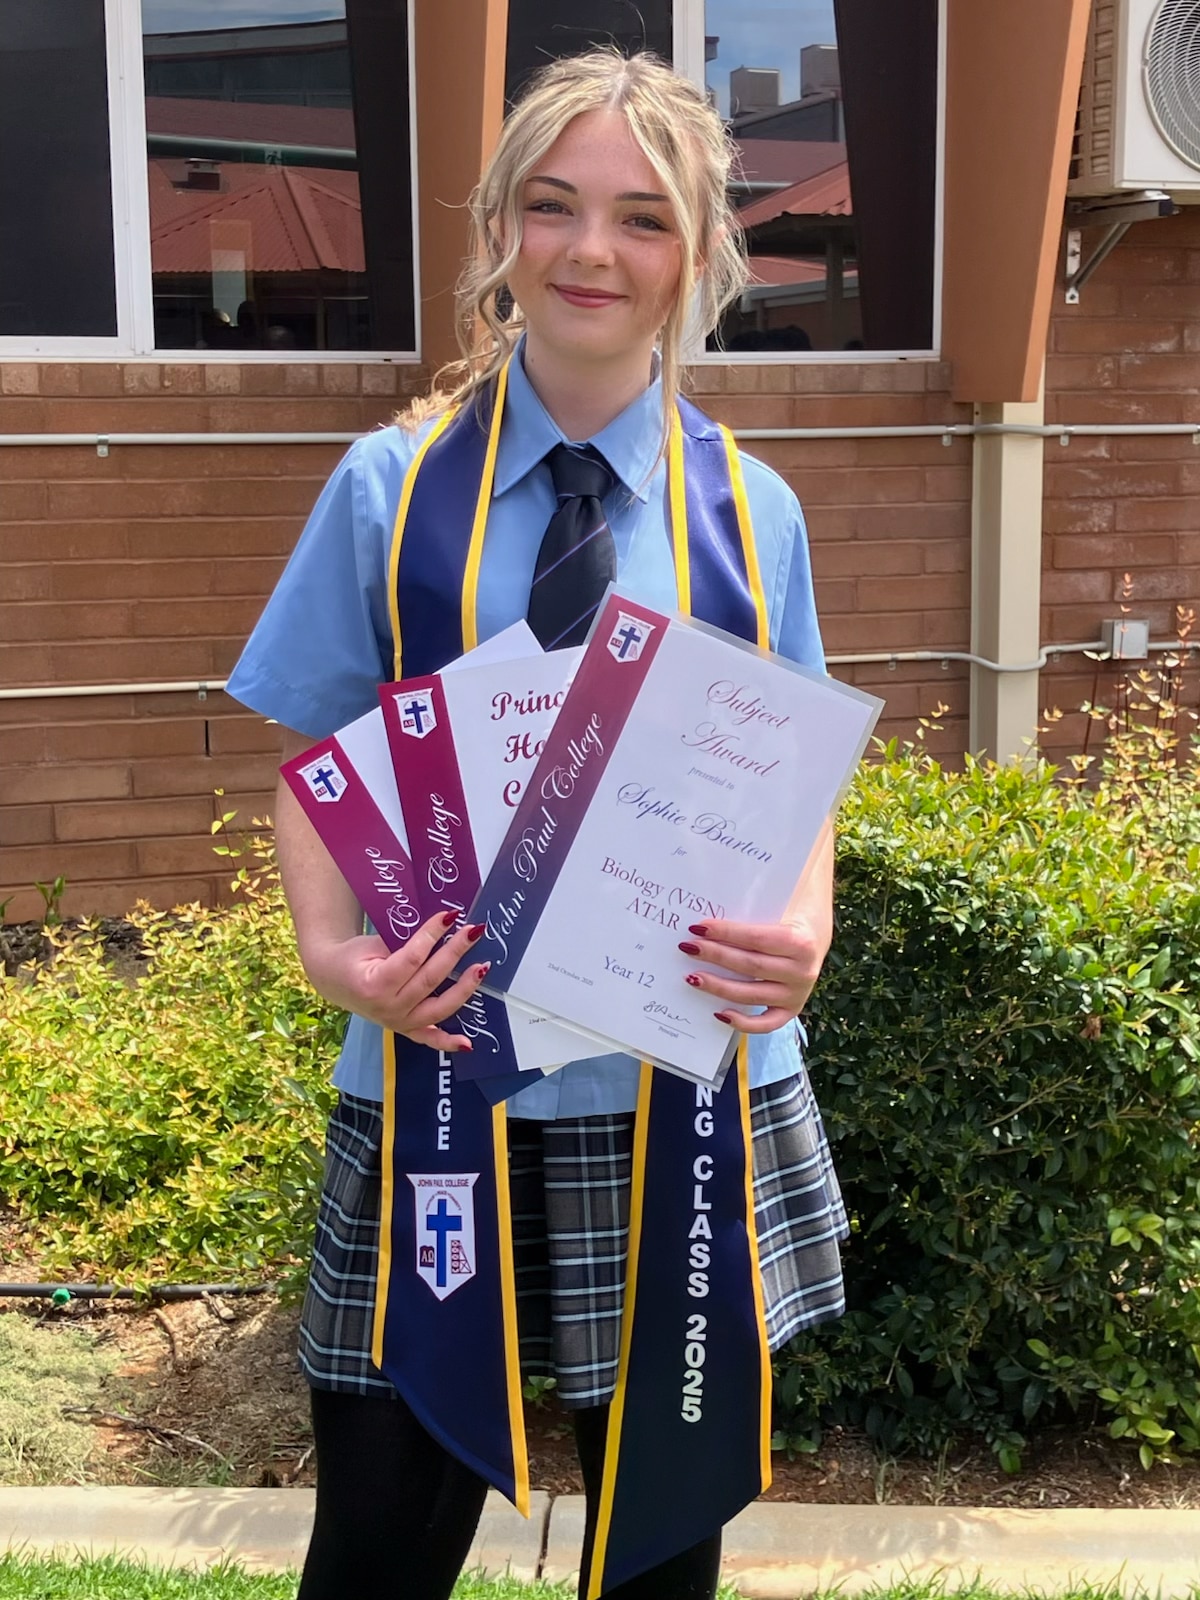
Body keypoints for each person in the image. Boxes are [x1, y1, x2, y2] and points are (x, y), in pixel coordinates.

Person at [227, 48, 846, 1600]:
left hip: (677, 1095)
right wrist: (334, 957)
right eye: (555, 206)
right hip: (445, 1089)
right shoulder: (389, 488)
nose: (592, 250)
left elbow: (793, 769)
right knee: (377, 1542)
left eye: (643, 219)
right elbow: (321, 745)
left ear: (699, 255)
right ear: (500, 227)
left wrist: (806, 930)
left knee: (658, 1548)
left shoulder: (750, 513)